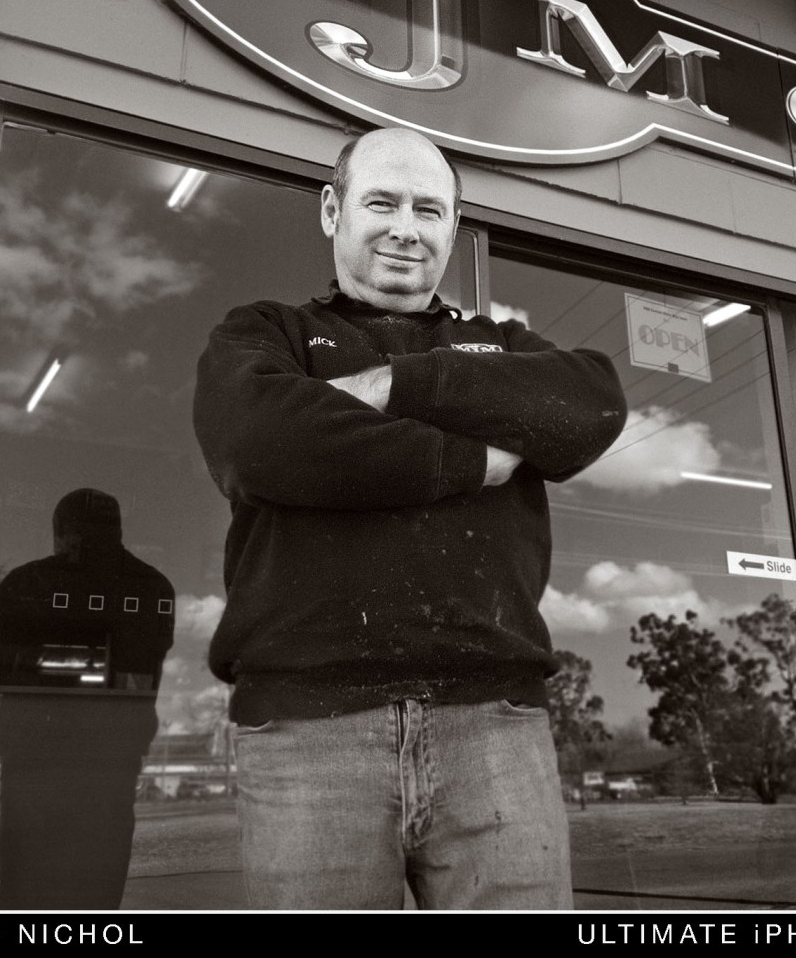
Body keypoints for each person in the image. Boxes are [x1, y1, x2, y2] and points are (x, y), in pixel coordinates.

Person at [192, 127, 627, 910]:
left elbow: (589, 404)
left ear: (454, 228)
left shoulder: (502, 343)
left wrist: (397, 384)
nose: (405, 227)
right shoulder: (265, 334)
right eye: (381, 202)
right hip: (308, 730)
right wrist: (470, 460)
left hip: (494, 725)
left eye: (429, 209)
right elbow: (261, 440)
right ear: (332, 211)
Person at [0, 487, 175, 910]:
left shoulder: (27, 583)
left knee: (31, 897)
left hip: (47, 764)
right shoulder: (152, 588)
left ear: (59, 533)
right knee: (93, 897)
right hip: (98, 768)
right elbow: (138, 681)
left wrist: (46, 662)